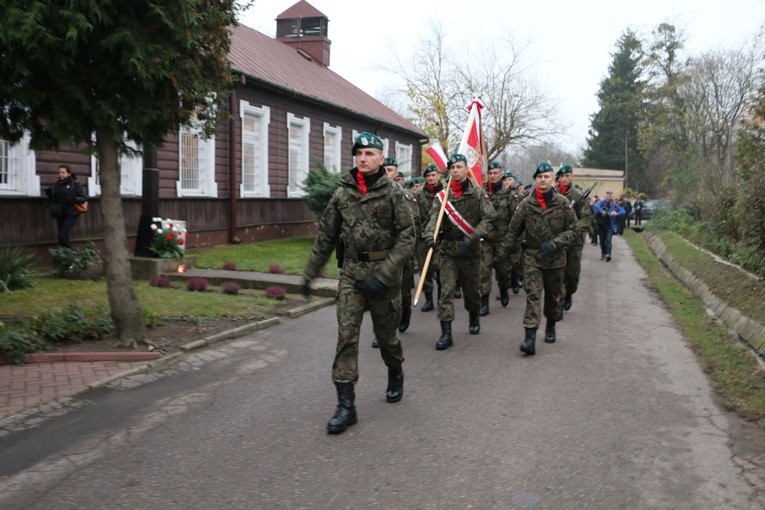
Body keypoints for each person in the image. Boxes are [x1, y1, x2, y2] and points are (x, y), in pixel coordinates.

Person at [301, 132, 415, 435]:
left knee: (387, 338)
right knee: (346, 337)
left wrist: (386, 274)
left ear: (381, 157)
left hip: (384, 277)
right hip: (351, 274)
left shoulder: (393, 193)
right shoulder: (342, 193)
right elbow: (325, 236)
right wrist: (310, 272)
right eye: (359, 153)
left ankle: (395, 372)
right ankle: (346, 406)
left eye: (369, 153)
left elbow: (407, 237)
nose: (363, 158)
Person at [422, 153, 497, 350]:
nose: (455, 170)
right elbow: (433, 217)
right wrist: (429, 236)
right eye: (452, 167)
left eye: (459, 167)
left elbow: (489, 218)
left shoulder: (478, 193)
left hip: (470, 252)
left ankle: (474, 315)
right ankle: (446, 333)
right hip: (448, 251)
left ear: (466, 169)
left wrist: (472, 238)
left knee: (471, 293)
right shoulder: (443, 195)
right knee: (445, 291)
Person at [502, 162, 576, 355]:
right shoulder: (526, 204)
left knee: (553, 296)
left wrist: (556, 242)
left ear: (553, 180)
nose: (543, 180)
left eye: (547, 177)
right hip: (533, 257)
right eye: (539, 177)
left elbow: (573, 229)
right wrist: (503, 253)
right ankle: (530, 338)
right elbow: (513, 231)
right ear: (535, 180)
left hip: (555, 259)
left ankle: (551, 323)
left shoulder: (562, 203)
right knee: (533, 295)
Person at [381, 156, 420, 336]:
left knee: (403, 293)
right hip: (381, 254)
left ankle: (406, 313)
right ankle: (383, 330)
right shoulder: (372, 196)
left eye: (390, 170)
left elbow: (413, 224)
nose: (386, 173)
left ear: (396, 173)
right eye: (384, 169)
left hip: (402, 253)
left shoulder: (406, 196)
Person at [554, 164, 593, 313]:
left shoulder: (578, 196)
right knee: (558, 274)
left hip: (574, 242)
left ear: (572, 177)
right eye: (562, 176)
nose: (564, 179)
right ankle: (560, 299)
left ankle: (569, 293)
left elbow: (586, 217)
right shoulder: (553, 195)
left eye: (567, 176)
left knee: (572, 274)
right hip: (558, 240)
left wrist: (575, 229)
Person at [479, 161, 513, 315]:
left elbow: (515, 219)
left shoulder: (510, 194)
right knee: (484, 271)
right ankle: (484, 303)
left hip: (502, 240)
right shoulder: (481, 193)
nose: (492, 176)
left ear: (501, 174)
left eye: (495, 173)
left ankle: (504, 289)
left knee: (503, 272)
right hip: (485, 240)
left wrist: (512, 241)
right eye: (490, 173)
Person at [414, 164, 443, 312]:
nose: (431, 178)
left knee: (440, 268)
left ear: (438, 176)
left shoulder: (446, 193)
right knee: (424, 269)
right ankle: (429, 299)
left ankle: (441, 297)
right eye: (428, 176)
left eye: (433, 175)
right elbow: (414, 214)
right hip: (423, 238)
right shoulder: (419, 195)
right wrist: (419, 228)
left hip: (440, 238)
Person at [45, 164, 88, 248]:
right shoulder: (57, 184)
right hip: (60, 213)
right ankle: (67, 257)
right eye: (59, 172)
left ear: (69, 173)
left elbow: (84, 198)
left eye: (63, 172)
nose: (60, 174)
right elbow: (55, 199)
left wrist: (74, 198)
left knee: (62, 235)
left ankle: (72, 255)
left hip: (71, 213)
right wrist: (50, 194)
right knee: (63, 237)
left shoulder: (75, 182)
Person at [593, 191, 625, 262]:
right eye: (607, 196)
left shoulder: (614, 205)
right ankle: (603, 253)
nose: (608, 197)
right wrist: (601, 211)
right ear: (605, 197)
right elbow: (596, 205)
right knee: (602, 241)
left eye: (609, 196)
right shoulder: (602, 202)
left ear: (612, 197)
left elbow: (623, 211)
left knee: (608, 240)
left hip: (609, 226)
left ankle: (608, 254)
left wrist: (616, 213)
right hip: (601, 225)